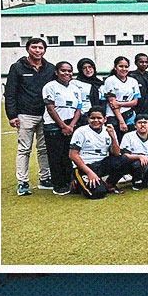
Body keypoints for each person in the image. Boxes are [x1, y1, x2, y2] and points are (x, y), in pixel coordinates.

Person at [5, 37, 55, 196]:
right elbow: (10, 93)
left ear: (44, 50)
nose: (38, 50)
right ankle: (23, 182)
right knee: (24, 149)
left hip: (46, 115)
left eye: (41, 48)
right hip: (25, 114)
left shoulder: (50, 68)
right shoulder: (17, 68)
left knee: (44, 149)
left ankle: (45, 178)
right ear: (28, 49)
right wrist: (12, 115)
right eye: (34, 47)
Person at [41, 61, 84, 195]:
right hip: (54, 126)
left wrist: (71, 125)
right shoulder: (50, 86)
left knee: (69, 156)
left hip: (71, 125)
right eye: (63, 70)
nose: (67, 73)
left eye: (69, 71)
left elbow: (78, 109)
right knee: (56, 156)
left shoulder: (75, 88)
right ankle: (58, 185)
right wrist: (63, 126)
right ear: (56, 72)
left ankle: (70, 182)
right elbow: (50, 108)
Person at [69, 107, 130, 198]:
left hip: (101, 164)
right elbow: (72, 155)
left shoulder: (108, 131)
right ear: (88, 119)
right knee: (98, 193)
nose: (96, 120)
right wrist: (90, 173)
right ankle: (78, 183)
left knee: (124, 160)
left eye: (99, 118)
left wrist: (113, 137)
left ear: (105, 119)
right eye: (93, 118)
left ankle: (109, 184)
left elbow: (117, 153)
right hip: (85, 166)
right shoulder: (81, 132)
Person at [102, 56, 142, 141]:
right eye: (121, 66)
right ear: (115, 67)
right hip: (113, 116)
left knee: (130, 141)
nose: (124, 69)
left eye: (126, 66)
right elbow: (112, 104)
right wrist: (121, 122)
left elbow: (135, 102)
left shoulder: (133, 81)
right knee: (116, 141)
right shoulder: (110, 80)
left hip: (129, 115)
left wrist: (120, 103)